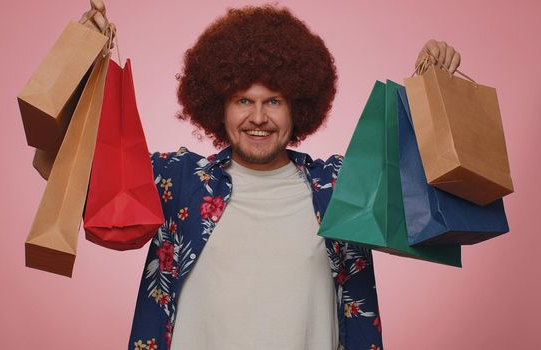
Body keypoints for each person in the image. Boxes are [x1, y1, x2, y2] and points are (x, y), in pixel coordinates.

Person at [77, 1, 462, 349]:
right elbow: (68, 173)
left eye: (273, 101)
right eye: (243, 100)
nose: (258, 118)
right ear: (219, 106)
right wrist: (78, 61)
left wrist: (431, 87)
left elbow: (428, 204)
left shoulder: (338, 187)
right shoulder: (178, 180)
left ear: (299, 108)